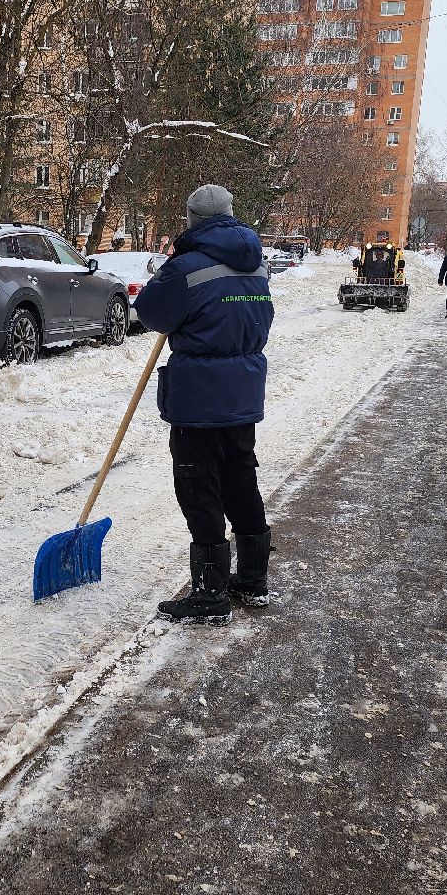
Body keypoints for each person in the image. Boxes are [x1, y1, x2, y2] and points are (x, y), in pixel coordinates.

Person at [134, 184, 274, 626]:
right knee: (239, 479)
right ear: (231, 215)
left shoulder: (187, 267)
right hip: (243, 393)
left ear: (192, 219)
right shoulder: (258, 263)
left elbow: (151, 314)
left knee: (198, 487)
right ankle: (252, 580)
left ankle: (210, 593)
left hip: (199, 398)